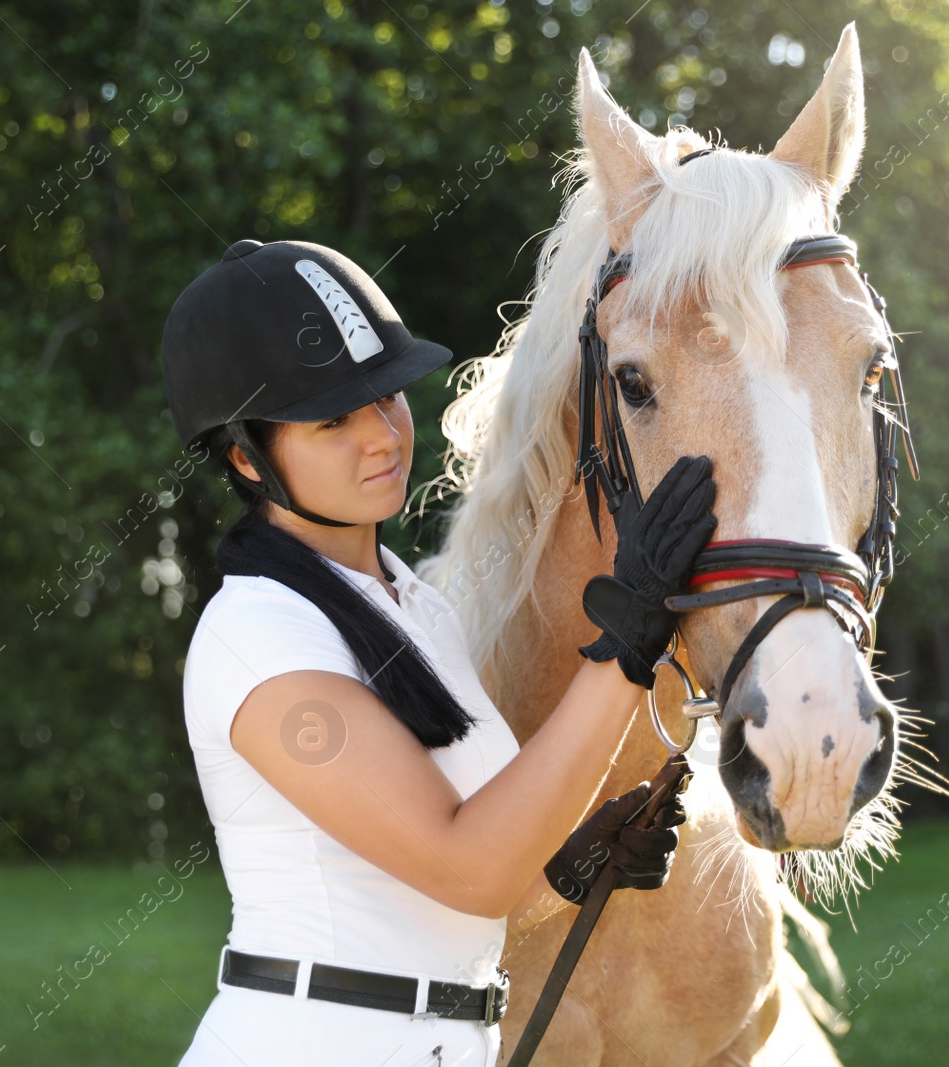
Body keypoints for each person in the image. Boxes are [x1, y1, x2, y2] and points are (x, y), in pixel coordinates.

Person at [160, 239, 718, 1067]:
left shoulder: (412, 606)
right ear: (246, 457)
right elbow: (469, 869)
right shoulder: (260, 636)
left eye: (386, 396)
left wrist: (572, 866)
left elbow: (453, 904)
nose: (383, 436)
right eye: (333, 419)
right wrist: (625, 651)